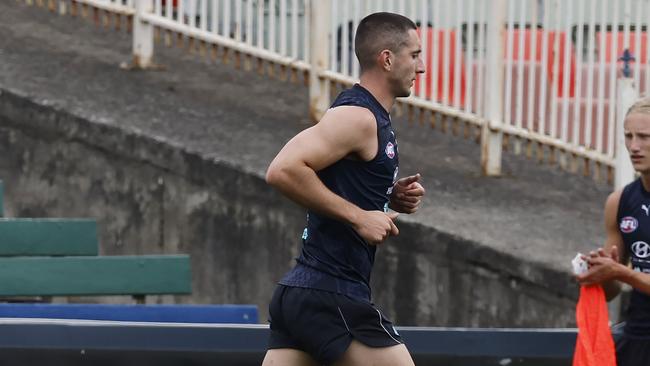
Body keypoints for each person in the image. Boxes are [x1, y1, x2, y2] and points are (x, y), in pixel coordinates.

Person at [261, 12, 426, 366]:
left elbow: (340, 177)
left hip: (303, 294)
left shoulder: (372, 118)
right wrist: (359, 217)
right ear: (387, 58)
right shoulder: (358, 117)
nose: (421, 67)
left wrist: (386, 194)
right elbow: (282, 170)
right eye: (414, 55)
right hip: (329, 293)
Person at [577, 97, 650, 365]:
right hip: (637, 339)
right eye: (628, 136)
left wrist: (623, 272)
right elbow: (611, 291)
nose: (634, 147)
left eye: (644, 137)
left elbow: (625, 275)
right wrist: (600, 272)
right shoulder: (619, 202)